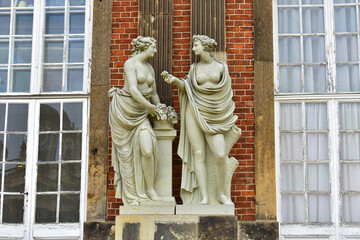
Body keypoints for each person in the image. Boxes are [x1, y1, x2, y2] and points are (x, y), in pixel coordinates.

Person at [163, 35, 238, 205]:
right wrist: (175, 80)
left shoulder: (221, 67)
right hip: (194, 110)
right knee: (198, 154)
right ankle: (204, 197)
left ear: (204, 46)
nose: (193, 49)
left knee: (220, 154)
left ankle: (220, 194)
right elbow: (188, 88)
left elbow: (226, 92)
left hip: (215, 114)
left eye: (196, 45)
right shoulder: (194, 68)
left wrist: (222, 111)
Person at [109, 36, 162, 205]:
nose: (154, 50)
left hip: (142, 114)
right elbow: (133, 89)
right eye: (152, 47)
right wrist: (151, 107)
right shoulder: (130, 64)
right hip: (124, 110)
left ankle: (150, 189)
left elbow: (153, 93)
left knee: (147, 150)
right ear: (144, 47)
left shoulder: (149, 68)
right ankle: (131, 195)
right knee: (126, 155)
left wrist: (160, 108)